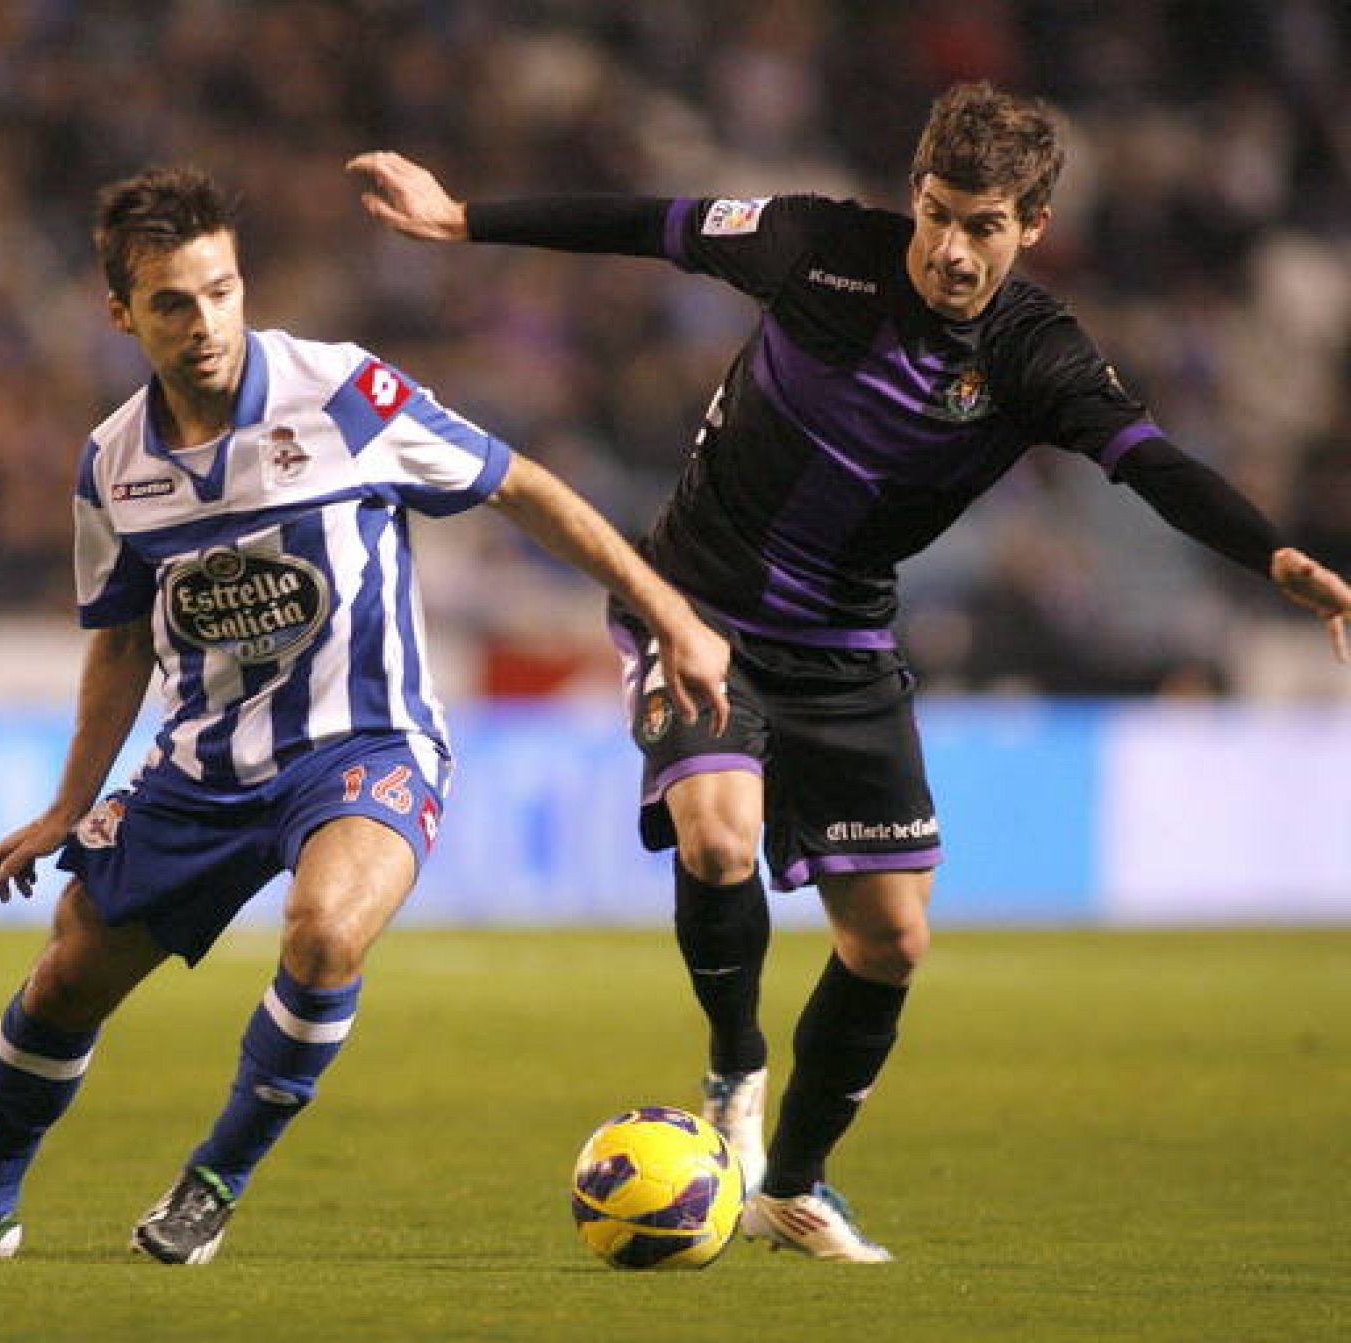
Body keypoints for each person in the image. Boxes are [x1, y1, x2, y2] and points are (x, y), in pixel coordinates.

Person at [347, 81, 1351, 1263]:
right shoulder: (818, 246)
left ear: (1032, 225)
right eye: (935, 213)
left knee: (890, 942)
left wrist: (1272, 552)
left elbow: (1148, 461)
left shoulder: (1037, 354)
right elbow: (647, 222)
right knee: (718, 835)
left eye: (982, 225)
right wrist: (463, 218)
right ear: (912, 197)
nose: (949, 247)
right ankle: (734, 1071)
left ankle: (794, 1184)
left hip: (845, 647)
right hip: (694, 610)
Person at [0, 166, 729, 1264]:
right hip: (203, 770)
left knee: (324, 929)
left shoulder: (344, 393)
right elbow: (118, 637)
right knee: (65, 973)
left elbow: (520, 486)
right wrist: (70, 803)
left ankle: (211, 1182)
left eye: (220, 291)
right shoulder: (113, 464)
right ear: (121, 312)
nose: (203, 322)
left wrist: (669, 614)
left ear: (241, 283)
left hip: (365, 743)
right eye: (171, 301)